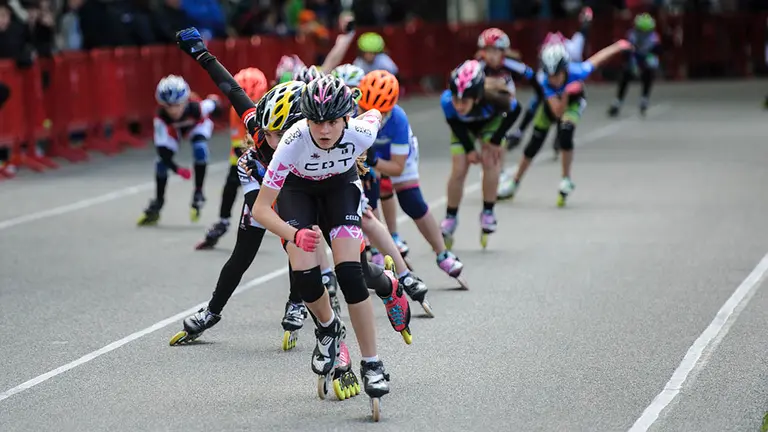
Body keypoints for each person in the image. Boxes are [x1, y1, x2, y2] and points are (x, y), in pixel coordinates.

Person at [175, 28, 405, 418]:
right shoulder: (287, 142)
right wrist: (294, 233)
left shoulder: (356, 130)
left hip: (338, 186)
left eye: (332, 123)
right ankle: (328, 328)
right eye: (268, 132)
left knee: (350, 274)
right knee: (301, 273)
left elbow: (375, 115)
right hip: (290, 191)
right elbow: (231, 90)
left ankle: (372, 356)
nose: (324, 131)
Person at [360, 69, 465, 313]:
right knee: (368, 199)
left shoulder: (397, 120)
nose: (372, 114)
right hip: (367, 157)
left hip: (395, 158)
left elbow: (397, 168)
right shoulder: (354, 111)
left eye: (380, 111)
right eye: (365, 108)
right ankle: (377, 250)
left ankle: (443, 254)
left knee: (412, 201)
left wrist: (373, 161)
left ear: (391, 107)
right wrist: (367, 165)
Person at [505, 39, 632, 207]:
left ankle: (566, 179)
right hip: (558, 102)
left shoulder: (577, 71)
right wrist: (564, 92)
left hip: (574, 101)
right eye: (550, 75)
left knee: (565, 132)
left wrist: (618, 46)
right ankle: (514, 183)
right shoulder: (544, 82)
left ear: (565, 69)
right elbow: (557, 112)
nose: (554, 79)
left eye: (557, 75)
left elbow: (597, 58)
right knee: (534, 143)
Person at [439, 59, 522, 251]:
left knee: (490, 161)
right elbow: (456, 125)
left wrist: (495, 141)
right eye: (456, 99)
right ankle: (451, 217)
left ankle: (488, 212)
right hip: (464, 129)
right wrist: (469, 150)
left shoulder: (495, 97)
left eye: (464, 101)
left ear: (477, 97)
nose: (459, 105)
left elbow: (516, 111)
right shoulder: (447, 102)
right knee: (459, 169)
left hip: (489, 125)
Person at [505, 6, 593, 158]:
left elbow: (582, 38)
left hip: (568, 82)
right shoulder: (544, 68)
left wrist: (586, 22)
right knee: (537, 101)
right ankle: (521, 131)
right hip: (549, 82)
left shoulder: (572, 51)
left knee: (561, 106)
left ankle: (558, 135)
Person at [196, 67, 268, 250]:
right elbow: (238, 146)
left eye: (254, 99)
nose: (248, 104)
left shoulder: (270, 105)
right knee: (231, 183)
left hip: (270, 148)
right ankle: (223, 220)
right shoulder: (236, 110)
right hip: (247, 148)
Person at [472, 27, 545, 201]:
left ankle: (501, 171)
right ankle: (489, 169)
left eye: (495, 51)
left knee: (499, 141)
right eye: (487, 51)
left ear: (503, 52)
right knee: (485, 142)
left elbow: (534, 80)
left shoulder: (513, 66)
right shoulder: (477, 67)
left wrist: (543, 97)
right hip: (485, 109)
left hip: (506, 109)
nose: (491, 56)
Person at [138, 75, 220, 226]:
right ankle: (159, 201)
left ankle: (198, 192)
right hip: (174, 131)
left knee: (200, 148)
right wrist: (178, 170)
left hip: (196, 126)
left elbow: (214, 103)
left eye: (177, 105)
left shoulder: (197, 107)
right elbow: (162, 153)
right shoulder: (161, 118)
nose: (174, 110)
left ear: (185, 100)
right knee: (161, 163)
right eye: (168, 106)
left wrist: (215, 101)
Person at [608, 13, 661, 117]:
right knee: (626, 75)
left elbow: (657, 52)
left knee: (649, 72)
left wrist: (650, 60)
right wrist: (632, 63)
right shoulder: (631, 35)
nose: (643, 34)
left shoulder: (654, 38)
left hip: (647, 57)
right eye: (641, 30)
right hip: (634, 57)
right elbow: (627, 52)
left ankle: (644, 98)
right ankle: (618, 101)